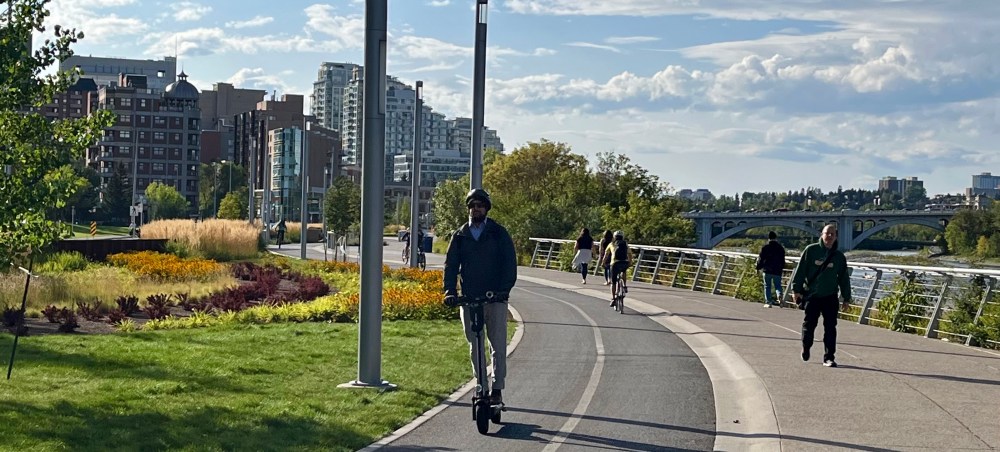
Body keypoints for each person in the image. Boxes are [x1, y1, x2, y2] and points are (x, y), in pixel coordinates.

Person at [443, 188, 517, 404]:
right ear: (468, 209)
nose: (476, 209)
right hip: (469, 298)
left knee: (497, 344)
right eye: (473, 205)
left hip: (494, 298)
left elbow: (509, 264)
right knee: (474, 344)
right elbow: (450, 265)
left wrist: (504, 289)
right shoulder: (460, 235)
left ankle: (497, 388)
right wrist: (450, 291)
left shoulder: (498, 233)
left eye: (480, 205)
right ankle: (480, 385)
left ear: (486, 208)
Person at [791, 224, 852, 367]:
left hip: (830, 297)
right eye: (827, 233)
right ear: (821, 234)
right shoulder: (811, 251)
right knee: (809, 325)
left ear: (836, 236)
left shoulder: (838, 256)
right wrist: (796, 290)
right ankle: (806, 347)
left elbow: (843, 278)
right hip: (812, 296)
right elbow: (800, 271)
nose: (829, 236)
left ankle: (829, 357)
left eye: (832, 234)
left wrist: (846, 298)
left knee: (830, 327)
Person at [756, 231, 786, 308]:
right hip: (777, 270)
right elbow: (783, 260)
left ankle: (768, 302)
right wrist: (781, 268)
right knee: (778, 285)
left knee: (767, 286)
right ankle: (779, 295)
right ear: (776, 238)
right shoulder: (780, 248)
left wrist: (758, 267)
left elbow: (761, 259)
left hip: (767, 270)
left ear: (768, 238)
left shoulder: (765, 247)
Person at [603, 230, 631, 307]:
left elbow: (606, 255)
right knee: (623, 271)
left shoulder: (611, 244)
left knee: (613, 282)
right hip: (624, 262)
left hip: (615, 264)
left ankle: (613, 299)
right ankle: (624, 286)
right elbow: (629, 254)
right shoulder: (625, 244)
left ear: (614, 237)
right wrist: (630, 262)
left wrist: (603, 263)